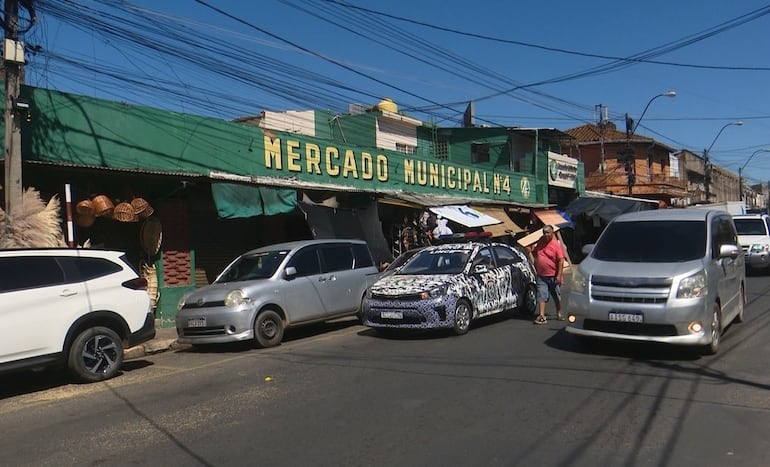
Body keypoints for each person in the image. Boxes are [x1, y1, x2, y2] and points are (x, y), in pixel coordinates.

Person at [531, 224, 565, 324]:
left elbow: (561, 261)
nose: (546, 235)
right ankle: (542, 315)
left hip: (553, 275)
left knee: (556, 295)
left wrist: (558, 275)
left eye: (547, 233)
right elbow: (536, 252)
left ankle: (559, 312)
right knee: (542, 295)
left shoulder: (556, 245)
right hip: (542, 275)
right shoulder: (540, 241)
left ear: (552, 233)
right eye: (544, 233)